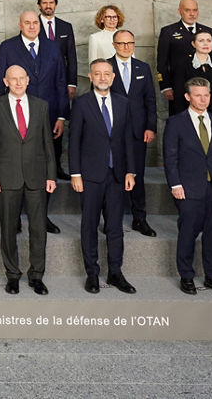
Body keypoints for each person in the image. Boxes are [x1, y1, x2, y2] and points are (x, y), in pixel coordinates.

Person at [0, 65, 57, 295]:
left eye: (21, 79)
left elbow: (48, 144)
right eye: (12, 79)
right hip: (7, 177)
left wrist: (51, 175)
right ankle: (12, 275)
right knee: (8, 228)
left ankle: (37, 275)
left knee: (38, 229)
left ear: (27, 80)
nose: (17, 83)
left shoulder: (41, 106)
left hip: (36, 176)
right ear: (5, 81)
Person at [68, 59, 136, 294]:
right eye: (98, 74)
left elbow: (128, 138)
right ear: (91, 77)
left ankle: (115, 272)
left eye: (107, 73)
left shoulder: (123, 103)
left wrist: (130, 171)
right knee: (89, 225)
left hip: (116, 174)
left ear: (113, 77)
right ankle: (93, 273)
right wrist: (75, 173)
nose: (103, 78)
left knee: (115, 226)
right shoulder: (81, 104)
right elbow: (73, 141)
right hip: (89, 175)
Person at [164, 76, 212, 296]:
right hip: (188, 187)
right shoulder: (175, 122)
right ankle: (186, 276)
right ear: (187, 97)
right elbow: (170, 157)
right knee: (188, 233)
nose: (203, 99)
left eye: (206, 95)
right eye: (198, 95)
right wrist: (175, 184)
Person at [0, 10, 70, 205]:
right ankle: (16, 217)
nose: (31, 26)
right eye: (27, 23)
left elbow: (61, 82)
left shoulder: (52, 47)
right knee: (15, 166)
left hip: (49, 117)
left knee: (45, 165)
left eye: (35, 22)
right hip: (15, 117)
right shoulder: (7, 47)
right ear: (20, 25)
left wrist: (61, 116)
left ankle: (42, 215)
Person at [109, 30, 158, 236]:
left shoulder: (143, 68)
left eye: (130, 43)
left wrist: (151, 126)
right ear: (114, 45)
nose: (126, 47)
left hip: (139, 132)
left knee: (137, 175)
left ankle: (140, 218)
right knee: (113, 177)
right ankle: (112, 219)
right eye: (122, 43)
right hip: (113, 132)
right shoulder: (105, 67)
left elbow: (150, 100)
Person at [157, 0, 212, 115]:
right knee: (181, 119)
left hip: (204, 85)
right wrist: (165, 86)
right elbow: (162, 61)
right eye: (187, 10)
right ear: (179, 11)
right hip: (179, 84)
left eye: (195, 10)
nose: (192, 14)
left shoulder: (207, 31)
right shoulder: (168, 31)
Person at [170, 31, 212, 137]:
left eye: (209, 41)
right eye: (201, 41)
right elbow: (179, 97)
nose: (206, 44)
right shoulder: (182, 65)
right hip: (192, 119)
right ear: (193, 44)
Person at [36, 0, 77, 99]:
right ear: (39, 6)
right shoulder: (31, 26)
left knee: (61, 112)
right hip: (38, 79)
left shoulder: (66, 27)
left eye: (51, 3)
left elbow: (71, 57)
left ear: (56, 5)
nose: (48, 6)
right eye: (44, 3)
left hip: (61, 79)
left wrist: (72, 83)